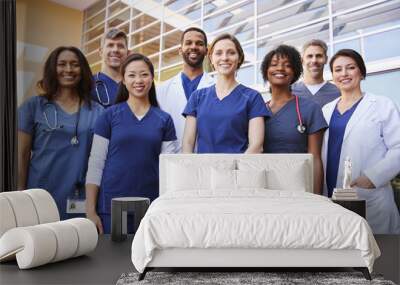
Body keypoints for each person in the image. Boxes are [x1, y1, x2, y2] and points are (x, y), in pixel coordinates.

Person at [85, 53, 178, 234]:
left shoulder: (164, 120)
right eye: (132, 75)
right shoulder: (109, 116)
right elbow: (96, 164)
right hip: (111, 206)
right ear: (124, 80)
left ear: (152, 78)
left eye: (144, 74)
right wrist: (90, 210)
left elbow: (170, 170)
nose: (138, 80)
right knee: (113, 259)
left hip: (151, 207)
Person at [18, 46, 104, 220]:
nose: (68, 69)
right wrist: (19, 195)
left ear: (83, 70)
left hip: (79, 200)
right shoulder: (33, 107)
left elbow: (100, 161)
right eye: (62, 64)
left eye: (75, 64)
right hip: (37, 198)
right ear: (52, 69)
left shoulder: (97, 112)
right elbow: (21, 154)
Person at [322, 49, 400, 234]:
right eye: (338, 69)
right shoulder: (326, 110)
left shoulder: (382, 105)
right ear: (333, 76)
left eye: (350, 68)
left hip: (369, 194)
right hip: (331, 196)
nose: (344, 74)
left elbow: (398, 147)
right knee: (339, 256)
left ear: (361, 72)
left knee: (380, 256)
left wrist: (373, 178)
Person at [182, 33, 269, 154]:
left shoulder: (252, 97)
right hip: (203, 171)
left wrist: (235, 170)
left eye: (231, 53)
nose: (225, 58)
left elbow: (256, 146)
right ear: (211, 59)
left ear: (239, 58)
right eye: (218, 53)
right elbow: (188, 143)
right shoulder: (197, 97)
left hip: (237, 170)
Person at [260, 45, 327, 195]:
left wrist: (316, 198)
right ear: (265, 71)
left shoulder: (310, 109)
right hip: (265, 189)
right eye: (274, 64)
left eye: (287, 65)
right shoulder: (258, 112)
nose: (280, 69)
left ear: (295, 72)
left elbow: (315, 159)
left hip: (299, 189)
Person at [157, 27, 214, 151]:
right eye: (188, 43)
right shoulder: (161, 90)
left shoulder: (217, 88)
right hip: (170, 161)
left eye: (199, 43)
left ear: (206, 51)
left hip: (206, 162)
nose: (193, 47)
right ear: (180, 50)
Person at [292, 39, 340, 108]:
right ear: (302, 61)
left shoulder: (338, 92)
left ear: (326, 59)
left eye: (319, 56)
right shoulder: (289, 92)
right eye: (310, 56)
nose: (314, 60)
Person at [91, 28, 129, 108]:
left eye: (120, 46)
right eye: (110, 45)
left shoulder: (134, 84)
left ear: (128, 53)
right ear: (101, 52)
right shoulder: (88, 84)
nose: (115, 50)